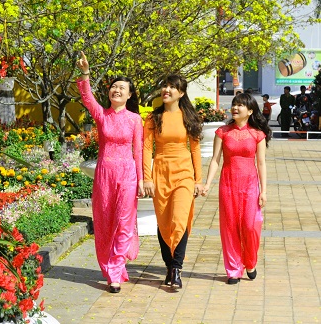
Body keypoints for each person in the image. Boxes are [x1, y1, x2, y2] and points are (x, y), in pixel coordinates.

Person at [76, 51, 144, 294]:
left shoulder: (135, 120)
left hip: (127, 175)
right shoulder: (101, 115)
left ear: (129, 94)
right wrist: (86, 73)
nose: (116, 90)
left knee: (124, 223)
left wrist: (142, 181)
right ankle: (109, 266)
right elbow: (86, 97)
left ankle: (115, 269)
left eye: (121, 87)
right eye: (114, 86)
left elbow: (139, 151)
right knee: (104, 223)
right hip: (104, 175)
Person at [202, 93, 271, 284]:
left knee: (250, 226)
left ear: (249, 111)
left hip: (250, 185)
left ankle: (250, 261)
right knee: (230, 226)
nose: (235, 108)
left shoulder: (257, 135)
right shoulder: (223, 132)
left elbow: (262, 163)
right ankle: (233, 269)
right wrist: (207, 183)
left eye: (240, 105)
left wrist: (263, 191)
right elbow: (215, 160)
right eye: (234, 104)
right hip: (228, 184)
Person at [142, 75, 203, 289]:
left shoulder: (189, 117)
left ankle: (177, 268)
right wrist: (147, 178)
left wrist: (199, 180)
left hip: (184, 173)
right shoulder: (153, 118)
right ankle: (169, 266)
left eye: (172, 87)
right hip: (160, 172)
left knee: (180, 218)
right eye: (165, 86)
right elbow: (147, 148)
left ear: (181, 93)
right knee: (164, 221)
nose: (166, 90)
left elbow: (195, 149)